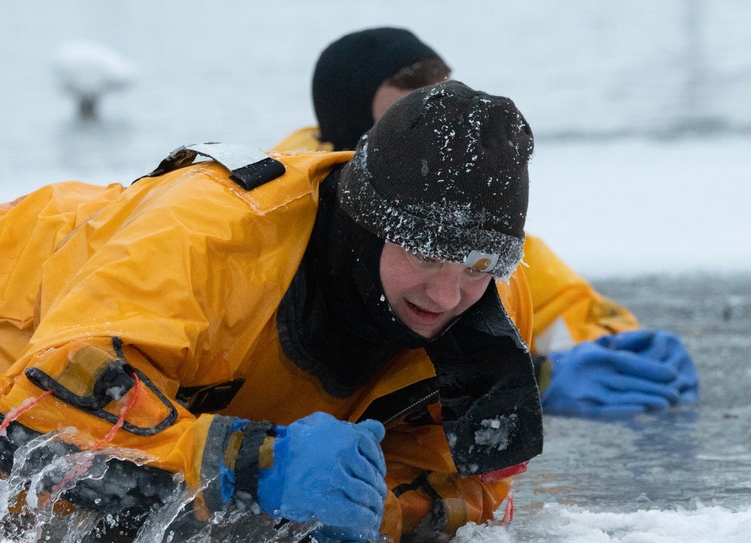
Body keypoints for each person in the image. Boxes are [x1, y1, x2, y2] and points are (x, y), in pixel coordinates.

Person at [0, 81, 541, 543]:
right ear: (367, 224)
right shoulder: (209, 241)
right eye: (427, 256)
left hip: (132, 345)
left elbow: (468, 486)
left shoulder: (484, 307)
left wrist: (382, 511)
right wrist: (253, 462)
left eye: (478, 267)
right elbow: (39, 410)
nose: (449, 293)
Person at [273, 27, 699, 419]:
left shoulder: (463, 217)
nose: (439, 140)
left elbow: (551, 300)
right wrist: (524, 376)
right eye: (411, 123)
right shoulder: (277, 224)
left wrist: (611, 342)